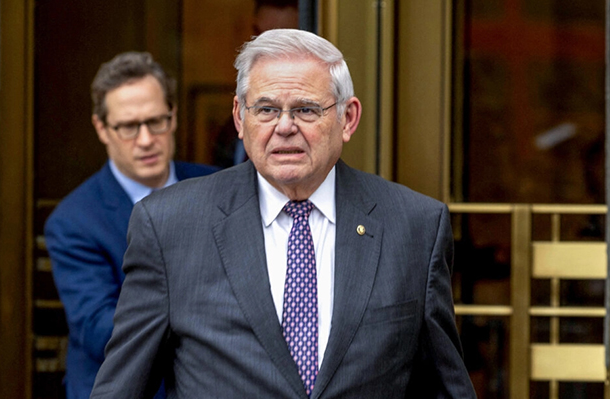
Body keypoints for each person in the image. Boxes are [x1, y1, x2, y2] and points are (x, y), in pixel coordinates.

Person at [90, 30, 477, 398]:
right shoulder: (169, 225)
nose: (285, 127)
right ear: (240, 118)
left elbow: (445, 388)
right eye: (267, 109)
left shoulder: (415, 227)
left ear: (348, 118)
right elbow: (122, 387)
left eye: (306, 109)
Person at [44, 51, 218, 399]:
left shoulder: (219, 189)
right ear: (101, 128)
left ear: (174, 116)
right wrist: (209, 332)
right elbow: (100, 329)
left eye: (156, 121)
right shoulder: (73, 221)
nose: (145, 140)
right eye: (127, 126)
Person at [212, 0, 299, 167]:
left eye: (283, 41)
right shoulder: (230, 130)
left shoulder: (321, 124)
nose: (267, 51)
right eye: (260, 36)